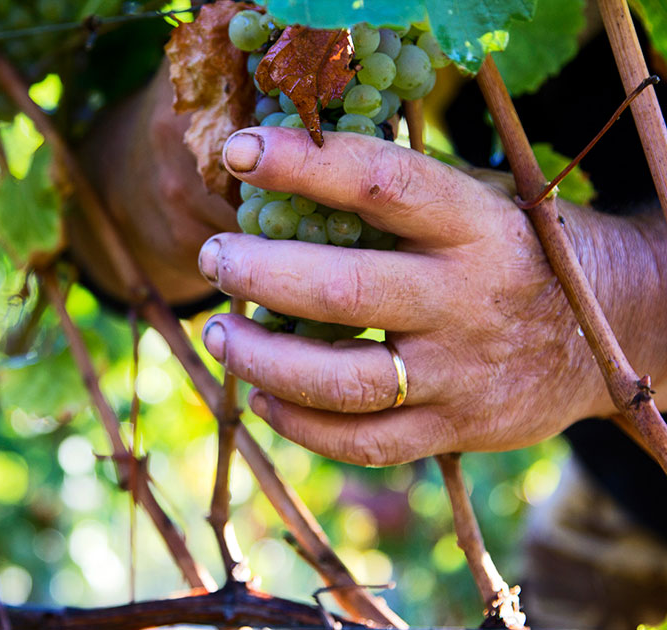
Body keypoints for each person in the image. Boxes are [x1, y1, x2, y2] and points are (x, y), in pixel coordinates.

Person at [68, 15, 667, 628]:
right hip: (619, 490)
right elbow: (98, 236)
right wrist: (151, 181)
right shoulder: (413, 25)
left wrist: (634, 293)